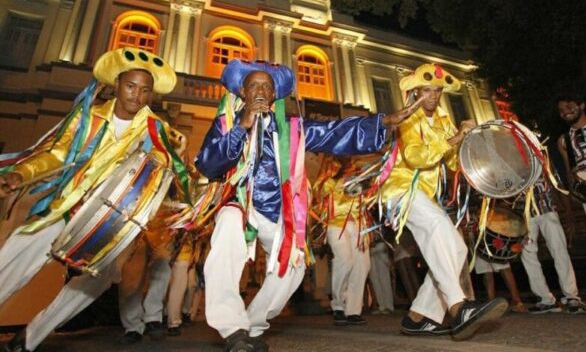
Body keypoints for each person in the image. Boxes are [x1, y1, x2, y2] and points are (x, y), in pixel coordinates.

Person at [195, 59, 421, 352]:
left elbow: (334, 132)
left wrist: (382, 123)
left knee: (294, 267)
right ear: (243, 92)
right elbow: (210, 165)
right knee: (226, 231)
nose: (262, 90)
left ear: (275, 94)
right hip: (238, 202)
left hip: (275, 211)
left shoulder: (292, 128)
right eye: (255, 86)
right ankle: (231, 328)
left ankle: (250, 326)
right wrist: (242, 126)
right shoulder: (226, 122)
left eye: (267, 86)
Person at [0, 47, 186, 352]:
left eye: (145, 90)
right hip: (65, 207)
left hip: (107, 223)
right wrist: (21, 174)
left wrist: (172, 157)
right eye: (130, 86)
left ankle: (30, 337)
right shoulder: (89, 116)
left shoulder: (157, 130)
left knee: (95, 281)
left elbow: (160, 172)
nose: (137, 96)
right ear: (116, 84)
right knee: (12, 260)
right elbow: (57, 154)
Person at [379, 63, 509, 340]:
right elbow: (416, 157)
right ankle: (458, 306)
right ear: (415, 92)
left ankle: (417, 316)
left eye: (437, 91)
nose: (433, 96)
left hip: (424, 195)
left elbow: (450, 161)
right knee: (438, 226)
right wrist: (455, 138)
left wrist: (468, 138)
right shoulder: (408, 119)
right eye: (427, 90)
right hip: (399, 189)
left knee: (458, 250)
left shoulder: (442, 120)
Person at [519, 176, 586, 314]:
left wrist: (568, 211)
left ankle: (572, 296)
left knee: (559, 250)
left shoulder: (542, 154)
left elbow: (558, 182)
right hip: (523, 213)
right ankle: (545, 299)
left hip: (547, 208)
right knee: (527, 254)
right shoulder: (507, 158)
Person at [317, 156, 370, 326]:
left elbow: (369, 192)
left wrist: (366, 181)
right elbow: (320, 191)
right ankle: (338, 306)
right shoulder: (329, 164)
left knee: (362, 265)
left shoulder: (360, 165)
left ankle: (353, 310)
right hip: (336, 223)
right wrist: (339, 175)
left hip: (358, 223)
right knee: (344, 260)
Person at [556, 94, 586, 246]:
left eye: (568, 106)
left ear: (581, 105)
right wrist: (573, 196)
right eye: (561, 110)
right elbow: (570, 171)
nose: (565, 111)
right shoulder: (564, 140)